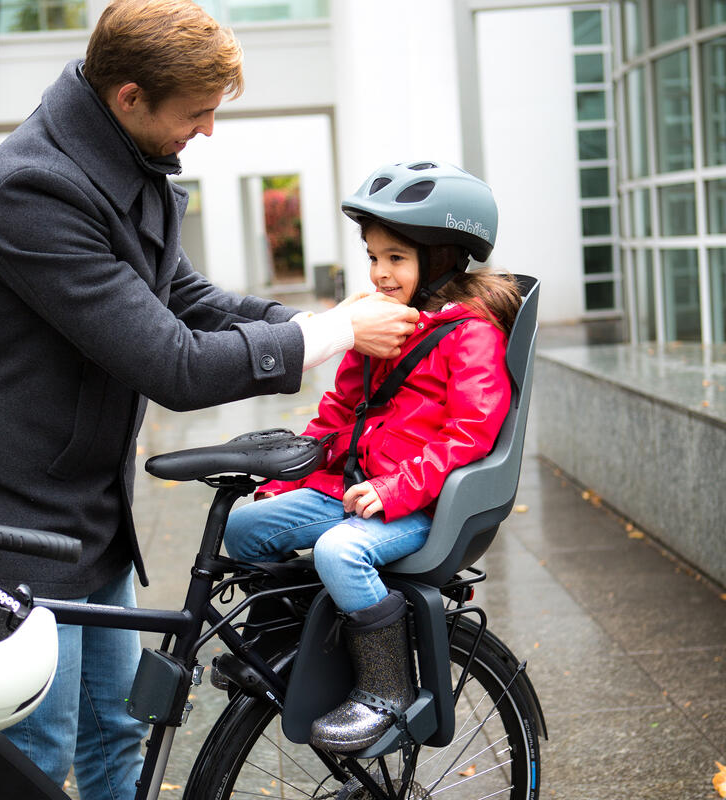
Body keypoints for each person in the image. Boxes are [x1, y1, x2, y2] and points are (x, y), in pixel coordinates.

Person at [0, 1, 418, 796]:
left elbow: (187, 298)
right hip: (18, 528)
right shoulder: (32, 192)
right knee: (35, 763)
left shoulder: (123, 161)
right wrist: (327, 334)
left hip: (89, 509)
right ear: (129, 96)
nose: (209, 131)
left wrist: (312, 326)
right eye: (196, 115)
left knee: (118, 730)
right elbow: (175, 364)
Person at [223, 160, 522, 753]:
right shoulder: (378, 327)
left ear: (439, 261)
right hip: (354, 491)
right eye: (373, 256)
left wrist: (394, 490)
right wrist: (286, 482)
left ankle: (385, 690)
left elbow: (470, 434)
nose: (380, 273)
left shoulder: (471, 337)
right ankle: (282, 649)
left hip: (421, 504)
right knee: (244, 526)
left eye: (396, 259)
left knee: (340, 551)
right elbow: (337, 417)